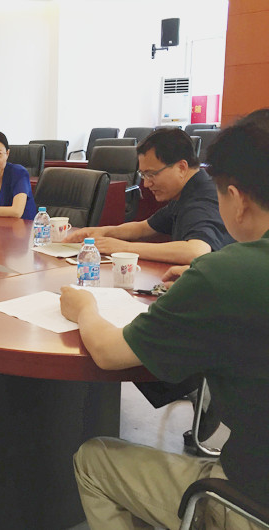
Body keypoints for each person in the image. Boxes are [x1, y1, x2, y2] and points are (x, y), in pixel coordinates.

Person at [59, 109, 269, 529]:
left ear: (237, 198)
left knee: (94, 460)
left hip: (250, 500)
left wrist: (84, 307)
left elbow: (109, 352)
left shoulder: (227, 273)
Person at [65, 128, 234, 264]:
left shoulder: (202, 198)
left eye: (151, 174)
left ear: (182, 167)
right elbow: (144, 228)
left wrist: (123, 248)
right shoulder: (186, 192)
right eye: (143, 175)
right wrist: (100, 232)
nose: (146, 184)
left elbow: (195, 251)